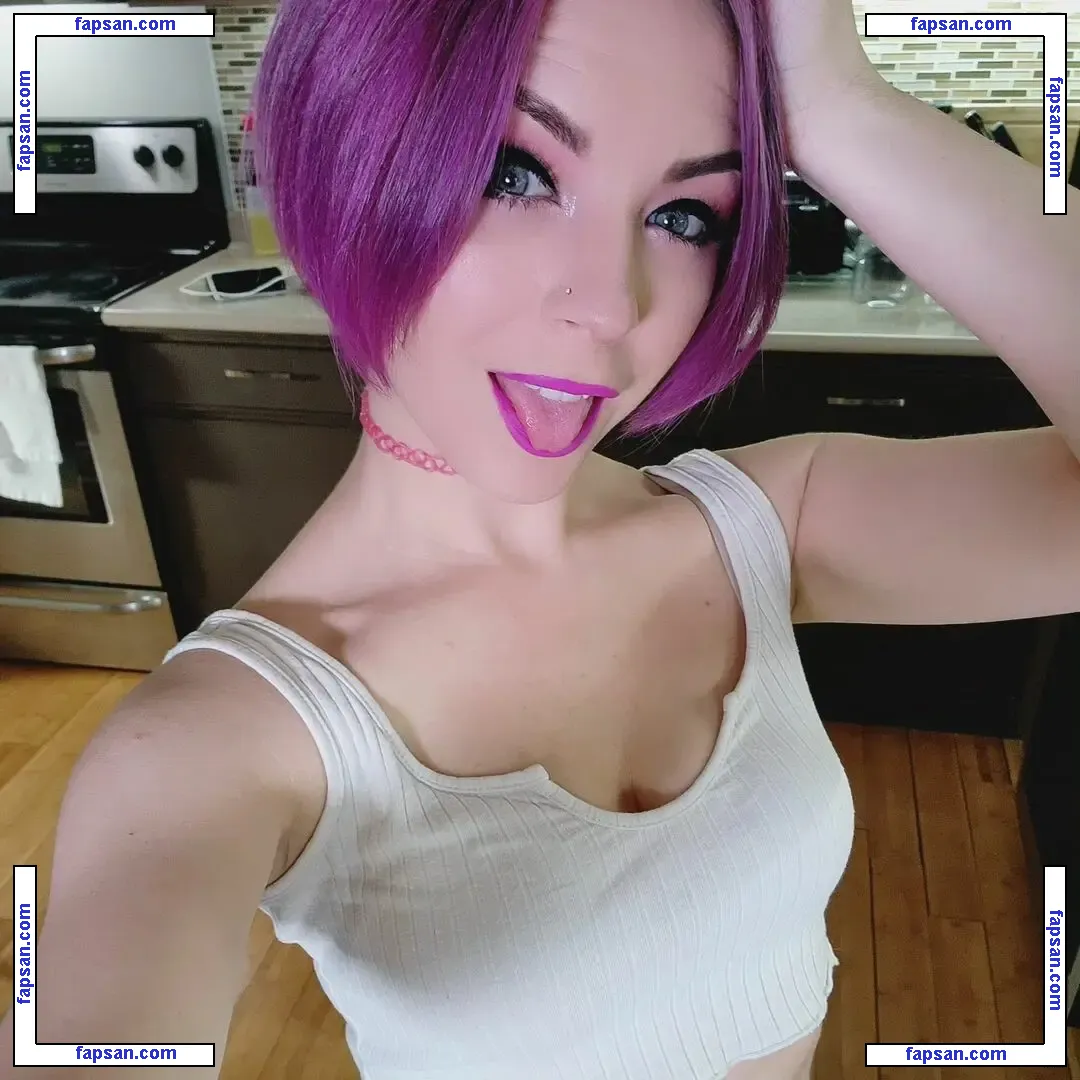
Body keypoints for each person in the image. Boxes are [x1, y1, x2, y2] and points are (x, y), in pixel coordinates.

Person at [2, 0, 1078, 1076]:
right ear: (337, 166)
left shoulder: (764, 525)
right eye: (513, 172)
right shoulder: (221, 741)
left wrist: (844, 110)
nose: (611, 304)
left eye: (686, 216)